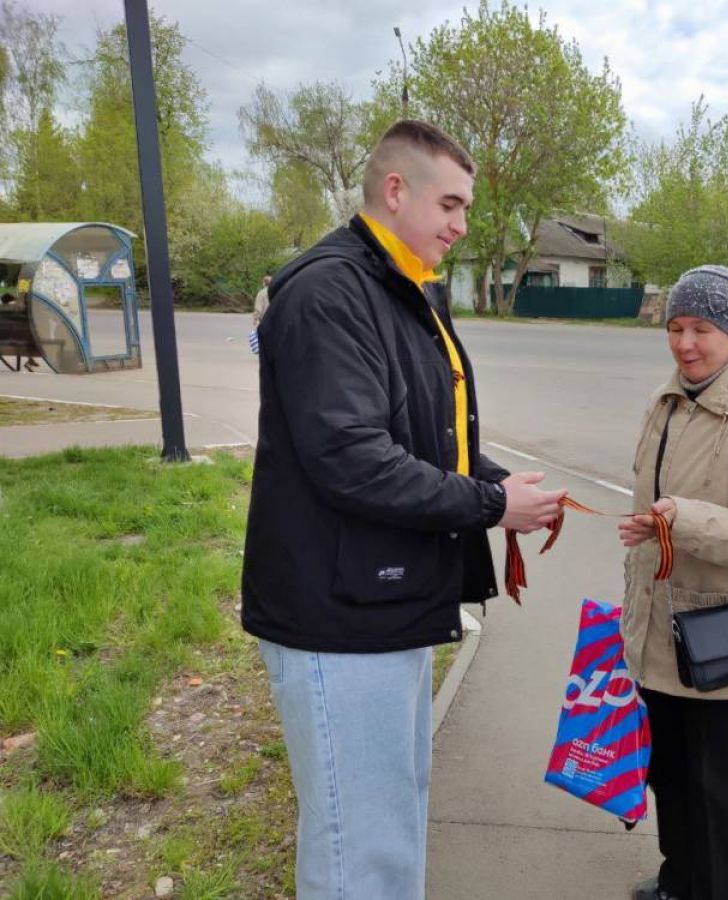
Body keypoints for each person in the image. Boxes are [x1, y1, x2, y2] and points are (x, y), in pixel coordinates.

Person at [241, 119, 567, 900]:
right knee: (362, 850)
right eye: (450, 205)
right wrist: (491, 503)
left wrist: (495, 481)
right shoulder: (330, 292)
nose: (461, 225)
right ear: (395, 190)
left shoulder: (398, 284)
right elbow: (350, 458)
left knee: (387, 824)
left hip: (383, 600)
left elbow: (419, 434)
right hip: (341, 615)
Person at [617, 265, 728, 900]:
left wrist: (680, 519)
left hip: (721, 636)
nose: (685, 343)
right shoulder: (669, 399)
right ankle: (680, 881)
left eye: (701, 329)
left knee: (719, 791)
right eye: (674, 327)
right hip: (658, 626)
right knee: (671, 775)